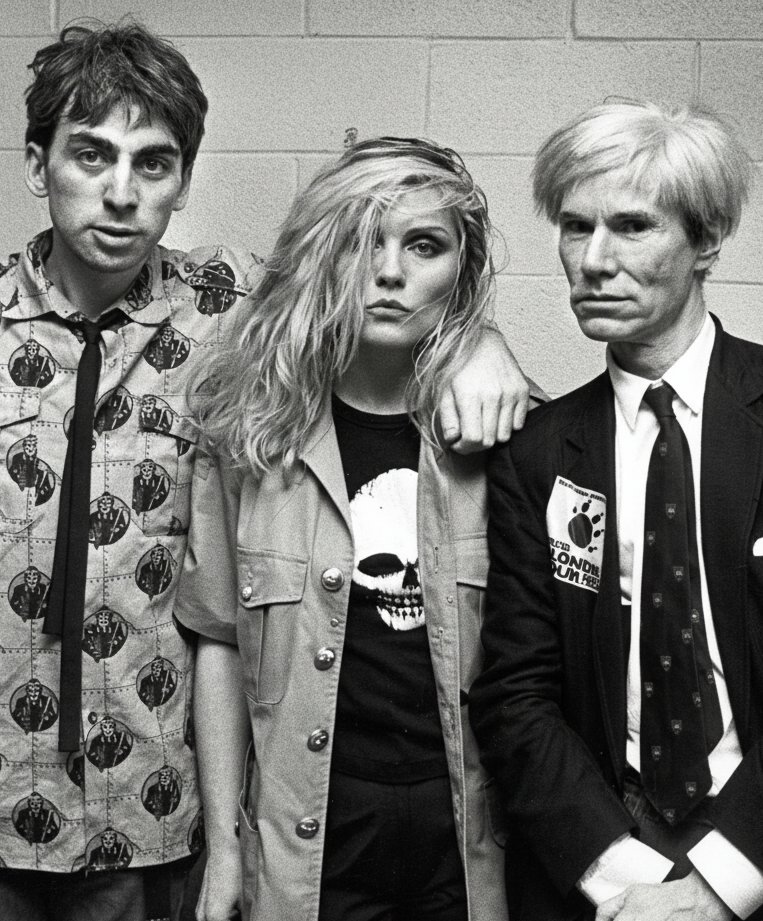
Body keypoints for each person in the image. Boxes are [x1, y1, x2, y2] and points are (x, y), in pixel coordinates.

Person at [0, 21, 534, 921]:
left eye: (154, 164)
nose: (121, 194)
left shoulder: (238, 308)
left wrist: (484, 345)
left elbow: (375, 285)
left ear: (182, 182)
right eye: (90, 156)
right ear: (34, 164)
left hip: (151, 811)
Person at [176, 136, 545, 921]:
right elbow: (217, 641)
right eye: (359, 241)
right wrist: (226, 851)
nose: (388, 272)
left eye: (423, 245)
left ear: (462, 270)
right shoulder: (246, 436)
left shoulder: (513, 436)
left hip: (472, 845)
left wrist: (488, 341)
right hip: (305, 842)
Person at [469, 100, 763, 921]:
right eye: (574, 227)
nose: (592, 260)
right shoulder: (537, 451)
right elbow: (513, 694)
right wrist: (623, 880)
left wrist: (715, 886)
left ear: (704, 242)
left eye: (631, 227)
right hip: (609, 850)